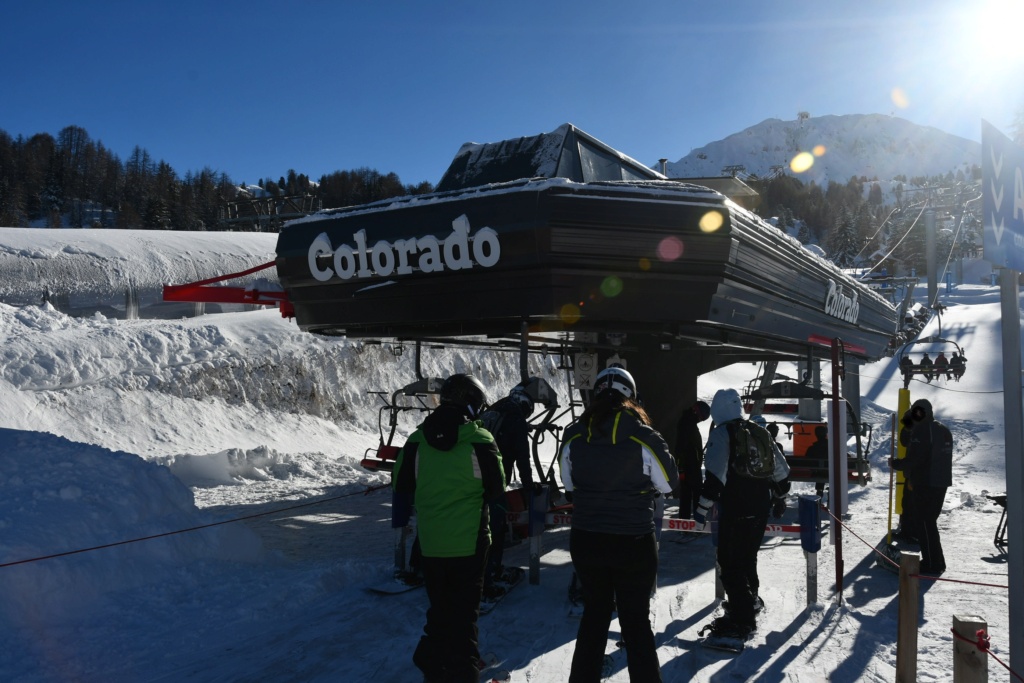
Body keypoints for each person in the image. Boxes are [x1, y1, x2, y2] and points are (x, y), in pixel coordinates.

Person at [559, 366, 677, 682]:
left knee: (594, 616)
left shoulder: (573, 434)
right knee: (636, 623)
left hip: (586, 538)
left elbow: (568, 484)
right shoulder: (645, 435)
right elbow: (668, 485)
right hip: (632, 540)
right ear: (631, 397)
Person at [392, 373, 507, 683]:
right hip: (470, 542)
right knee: (465, 618)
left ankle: (431, 662)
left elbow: (400, 487)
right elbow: (498, 491)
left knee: (442, 609)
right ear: (471, 405)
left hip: (431, 543)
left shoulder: (415, 441)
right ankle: (459, 672)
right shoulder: (481, 441)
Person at [693, 388, 791, 640]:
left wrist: (702, 508)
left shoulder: (722, 433)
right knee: (748, 558)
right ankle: (750, 601)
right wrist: (779, 498)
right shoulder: (759, 432)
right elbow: (782, 472)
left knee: (729, 563)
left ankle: (742, 617)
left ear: (717, 410)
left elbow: (715, 477)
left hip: (735, 509)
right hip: (760, 509)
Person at [481, 381, 538, 599]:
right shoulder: (516, 419)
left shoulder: (491, 411)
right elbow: (523, 457)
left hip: (471, 477)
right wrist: (528, 486)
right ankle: (490, 575)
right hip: (495, 481)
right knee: (495, 527)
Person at [890, 399, 953, 575]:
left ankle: (933, 564)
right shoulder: (941, 428)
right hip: (939, 482)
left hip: (926, 482)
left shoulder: (923, 430)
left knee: (925, 524)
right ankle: (936, 561)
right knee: (929, 523)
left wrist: (897, 464)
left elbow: (916, 458)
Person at [674, 400, 711, 519]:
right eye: (701, 417)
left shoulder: (689, 423)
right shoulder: (687, 424)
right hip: (690, 467)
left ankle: (688, 521)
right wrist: (681, 469)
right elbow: (680, 448)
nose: (701, 420)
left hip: (692, 466)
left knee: (689, 494)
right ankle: (693, 522)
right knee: (691, 495)